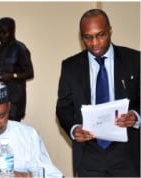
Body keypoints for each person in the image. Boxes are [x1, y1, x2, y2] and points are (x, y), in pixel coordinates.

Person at [56, 9, 140, 177]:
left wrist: (136, 116)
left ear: (110, 30)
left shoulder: (135, 60)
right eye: (87, 37)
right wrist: (74, 129)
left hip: (127, 152)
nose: (94, 43)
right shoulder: (70, 66)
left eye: (100, 35)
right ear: (81, 37)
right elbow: (63, 108)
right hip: (89, 153)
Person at [0, 17, 34, 122]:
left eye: (5, 32)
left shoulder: (20, 49)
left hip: (15, 102)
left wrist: (13, 76)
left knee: (12, 134)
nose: (1, 36)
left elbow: (30, 73)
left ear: (12, 31)